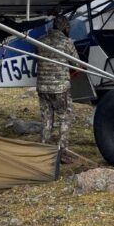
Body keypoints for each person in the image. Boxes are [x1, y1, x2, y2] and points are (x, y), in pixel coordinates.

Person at [36, 14, 77, 161]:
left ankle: (43, 148)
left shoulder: (41, 42)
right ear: (65, 28)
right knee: (65, 118)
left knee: (47, 119)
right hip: (60, 89)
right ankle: (62, 152)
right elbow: (76, 64)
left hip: (42, 88)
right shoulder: (67, 43)